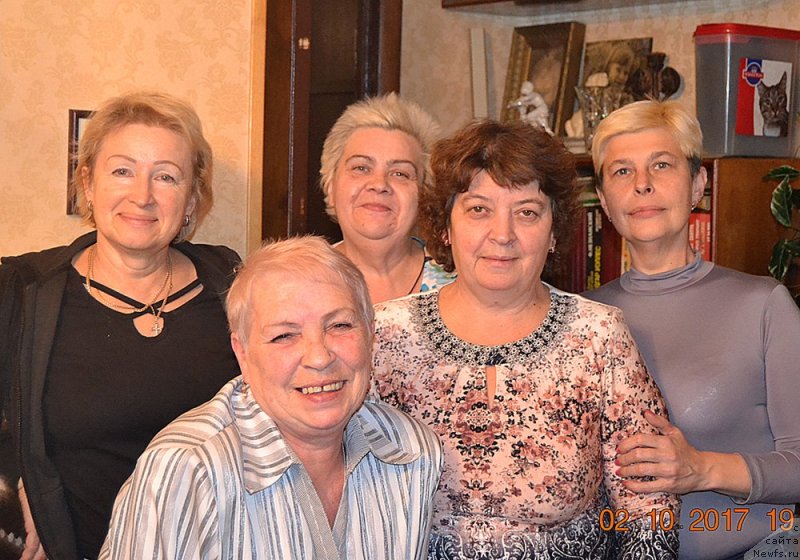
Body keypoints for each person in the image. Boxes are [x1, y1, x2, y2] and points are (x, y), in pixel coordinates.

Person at [372, 119, 680, 558]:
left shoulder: (599, 336)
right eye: (479, 209)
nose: (503, 234)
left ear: (554, 233)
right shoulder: (382, 335)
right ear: (444, 226)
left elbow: (649, 506)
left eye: (527, 212)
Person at [0, 91, 241, 559]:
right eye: (122, 171)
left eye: (166, 176)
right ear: (88, 184)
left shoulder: (234, 288)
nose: (142, 195)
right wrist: (16, 476)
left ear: (192, 198)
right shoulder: (21, 290)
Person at [100, 236, 443, 559]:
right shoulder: (188, 468)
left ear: (370, 335)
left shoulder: (412, 452)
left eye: (339, 326)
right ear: (243, 354)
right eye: (284, 336)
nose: (319, 357)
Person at [585, 99, 800, 560]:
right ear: (603, 201)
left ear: (698, 185)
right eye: (621, 171)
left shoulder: (763, 306)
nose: (642, 185)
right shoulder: (581, 317)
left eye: (661, 165)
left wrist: (702, 470)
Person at [319, 93, 455, 303]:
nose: (379, 184)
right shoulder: (293, 283)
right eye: (361, 168)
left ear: (424, 193)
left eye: (400, 173)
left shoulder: (460, 284)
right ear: (330, 185)